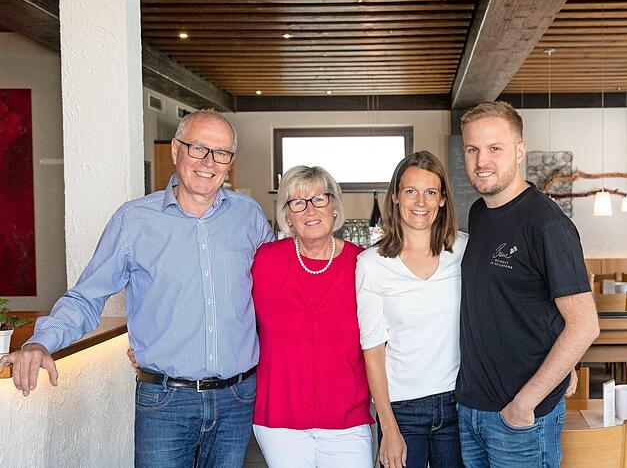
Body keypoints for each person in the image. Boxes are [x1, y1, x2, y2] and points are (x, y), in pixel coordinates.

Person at [0, 110, 274, 467]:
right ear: (176, 149)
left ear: (230, 162)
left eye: (220, 153)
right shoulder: (133, 221)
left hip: (236, 399)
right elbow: (86, 297)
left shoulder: (248, 216)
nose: (209, 162)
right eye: (198, 148)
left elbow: (275, 292)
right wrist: (40, 341)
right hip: (165, 401)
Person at [455, 101, 600, 467]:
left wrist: (526, 402)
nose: (481, 160)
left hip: (520, 418)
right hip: (472, 409)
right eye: (472, 149)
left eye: (494, 148)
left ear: (520, 151)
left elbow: (584, 325)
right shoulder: (480, 212)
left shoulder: (547, 225)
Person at [251, 165, 373, 468]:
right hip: (279, 420)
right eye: (298, 202)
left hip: (348, 420)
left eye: (319, 198)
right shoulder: (265, 261)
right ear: (288, 216)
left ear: (334, 207)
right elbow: (227, 313)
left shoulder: (363, 264)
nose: (310, 209)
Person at [357, 151, 466, 468]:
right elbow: (373, 350)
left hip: (460, 404)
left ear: (443, 199)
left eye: (431, 192)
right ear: (395, 196)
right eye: (410, 191)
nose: (421, 202)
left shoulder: (465, 250)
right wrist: (388, 427)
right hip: (402, 409)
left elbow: (511, 305)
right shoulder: (371, 264)